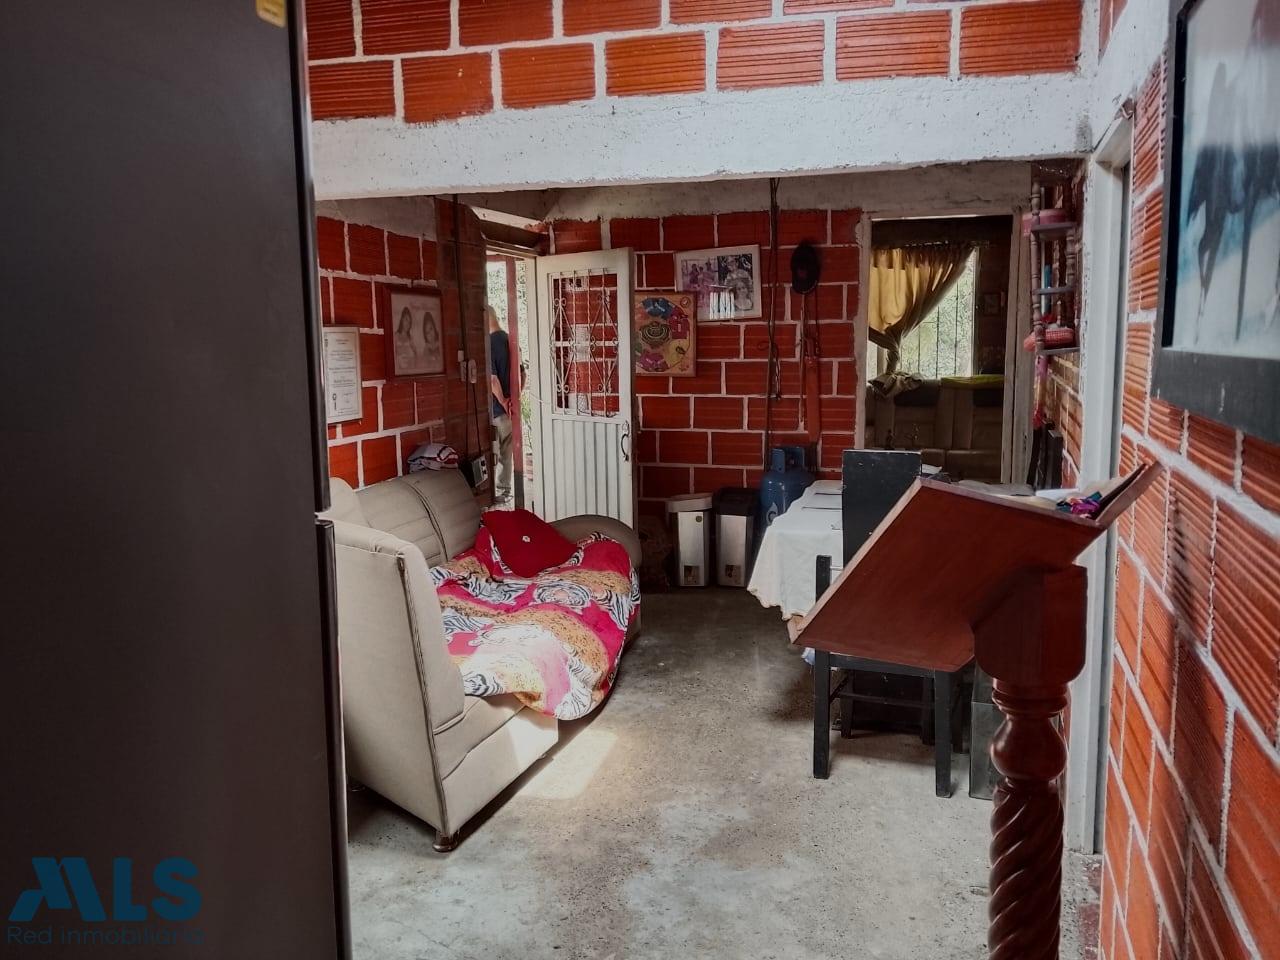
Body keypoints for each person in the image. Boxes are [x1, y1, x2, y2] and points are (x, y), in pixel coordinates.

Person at [487, 306, 513, 504]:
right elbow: (522, 374)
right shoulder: (510, 340)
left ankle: (492, 493)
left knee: (493, 453)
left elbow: (493, 380)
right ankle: (505, 489)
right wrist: (512, 401)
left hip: (496, 410)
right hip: (511, 411)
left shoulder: (489, 343)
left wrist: (503, 401)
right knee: (507, 452)